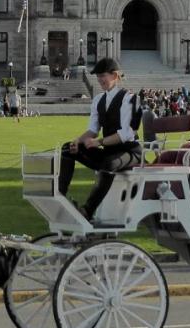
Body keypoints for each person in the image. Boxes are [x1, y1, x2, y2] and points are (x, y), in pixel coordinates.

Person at [58, 57, 142, 221]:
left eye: (103, 75)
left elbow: (126, 134)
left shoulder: (131, 99)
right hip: (110, 151)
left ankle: (88, 210)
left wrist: (99, 142)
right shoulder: (98, 100)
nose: (100, 79)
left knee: (108, 163)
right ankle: (60, 197)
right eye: (98, 76)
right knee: (68, 149)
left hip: (130, 151)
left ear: (115, 76)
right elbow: (93, 130)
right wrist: (78, 141)